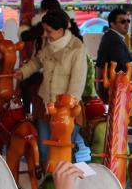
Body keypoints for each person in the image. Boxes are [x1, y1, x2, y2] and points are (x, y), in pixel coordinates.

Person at [15, 9, 90, 164]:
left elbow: (77, 82)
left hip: (66, 111)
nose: (45, 34)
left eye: (48, 31)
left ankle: (68, 177)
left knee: (64, 150)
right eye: (44, 30)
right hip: (45, 106)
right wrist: (22, 72)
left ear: (60, 30)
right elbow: (37, 62)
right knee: (44, 149)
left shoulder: (76, 48)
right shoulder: (48, 45)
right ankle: (47, 177)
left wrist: (66, 109)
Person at [96, 7, 132, 74]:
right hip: (117, 79)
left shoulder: (111, 36)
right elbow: (122, 66)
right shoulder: (114, 40)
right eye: (123, 21)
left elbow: (122, 58)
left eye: (128, 21)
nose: (127, 24)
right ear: (112, 24)